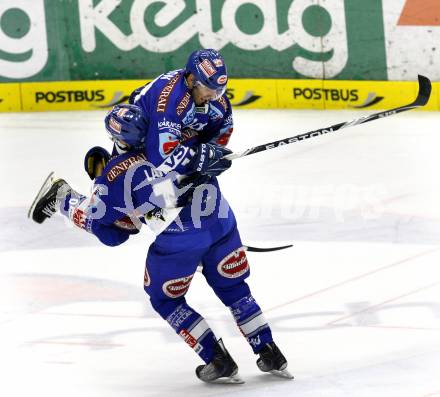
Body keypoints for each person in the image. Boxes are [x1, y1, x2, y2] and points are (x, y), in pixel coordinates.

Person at [29, 49, 292, 384]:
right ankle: (269, 350)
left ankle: (216, 358)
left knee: (162, 295)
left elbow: (107, 217)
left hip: (179, 238)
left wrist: (86, 206)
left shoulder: (119, 174)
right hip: (219, 217)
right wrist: (205, 156)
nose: (215, 96)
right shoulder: (173, 121)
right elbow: (181, 158)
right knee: (235, 287)